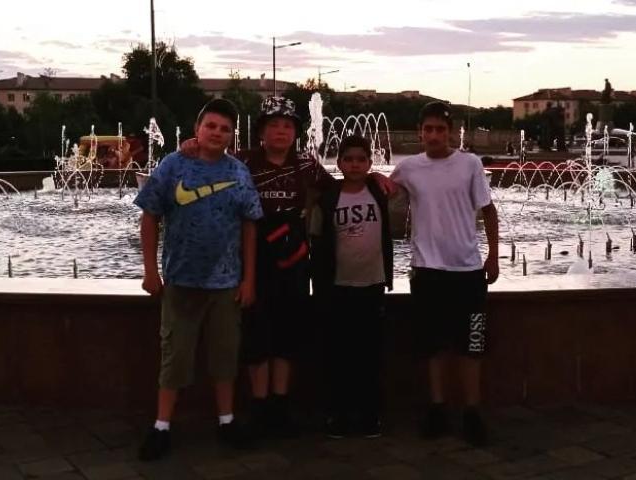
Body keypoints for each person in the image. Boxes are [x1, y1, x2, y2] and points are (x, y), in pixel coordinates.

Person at [179, 96, 394, 438]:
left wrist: (374, 177)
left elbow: (344, 186)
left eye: (288, 125)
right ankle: (259, 405)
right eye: (273, 125)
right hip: (252, 260)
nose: (281, 131)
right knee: (256, 335)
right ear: (261, 130)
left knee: (287, 333)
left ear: (296, 132)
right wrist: (191, 146)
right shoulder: (242, 161)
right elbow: (207, 159)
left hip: (293, 263)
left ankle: (279, 405)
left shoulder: (307, 165)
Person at [135, 98, 263, 460]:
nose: (217, 133)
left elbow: (249, 225)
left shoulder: (238, 172)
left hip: (226, 285)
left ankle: (226, 421)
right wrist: (150, 270)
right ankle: (161, 426)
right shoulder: (173, 165)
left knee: (225, 356)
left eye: (225, 129)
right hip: (181, 282)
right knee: (174, 356)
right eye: (211, 126)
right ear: (197, 129)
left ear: (232, 135)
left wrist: (249, 280)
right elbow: (149, 216)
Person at [389, 102, 499, 447]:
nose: (434, 135)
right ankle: (437, 408)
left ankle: (472, 411)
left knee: (472, 345)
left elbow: (489, 211)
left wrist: (493, 256)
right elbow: (382, 193)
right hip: (427, 271)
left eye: (440, 129)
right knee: (431, 344)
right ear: (420, 132)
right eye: (428, 129)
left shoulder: (470, 164)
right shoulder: (408, 168)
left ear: (450, 132)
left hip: (467, 270)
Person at [309, 135, 393, 440]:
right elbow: (316, 240)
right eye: (349, 159)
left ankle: (369, 414)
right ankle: (338, 413)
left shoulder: (378, 192)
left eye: (361, 160)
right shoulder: (328, 198)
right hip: (338, 287)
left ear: (370, 163)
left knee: (369, 353)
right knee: (338, 353)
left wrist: (378, 176)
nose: (355, 165)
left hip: (372, 285)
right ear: (339, 163)